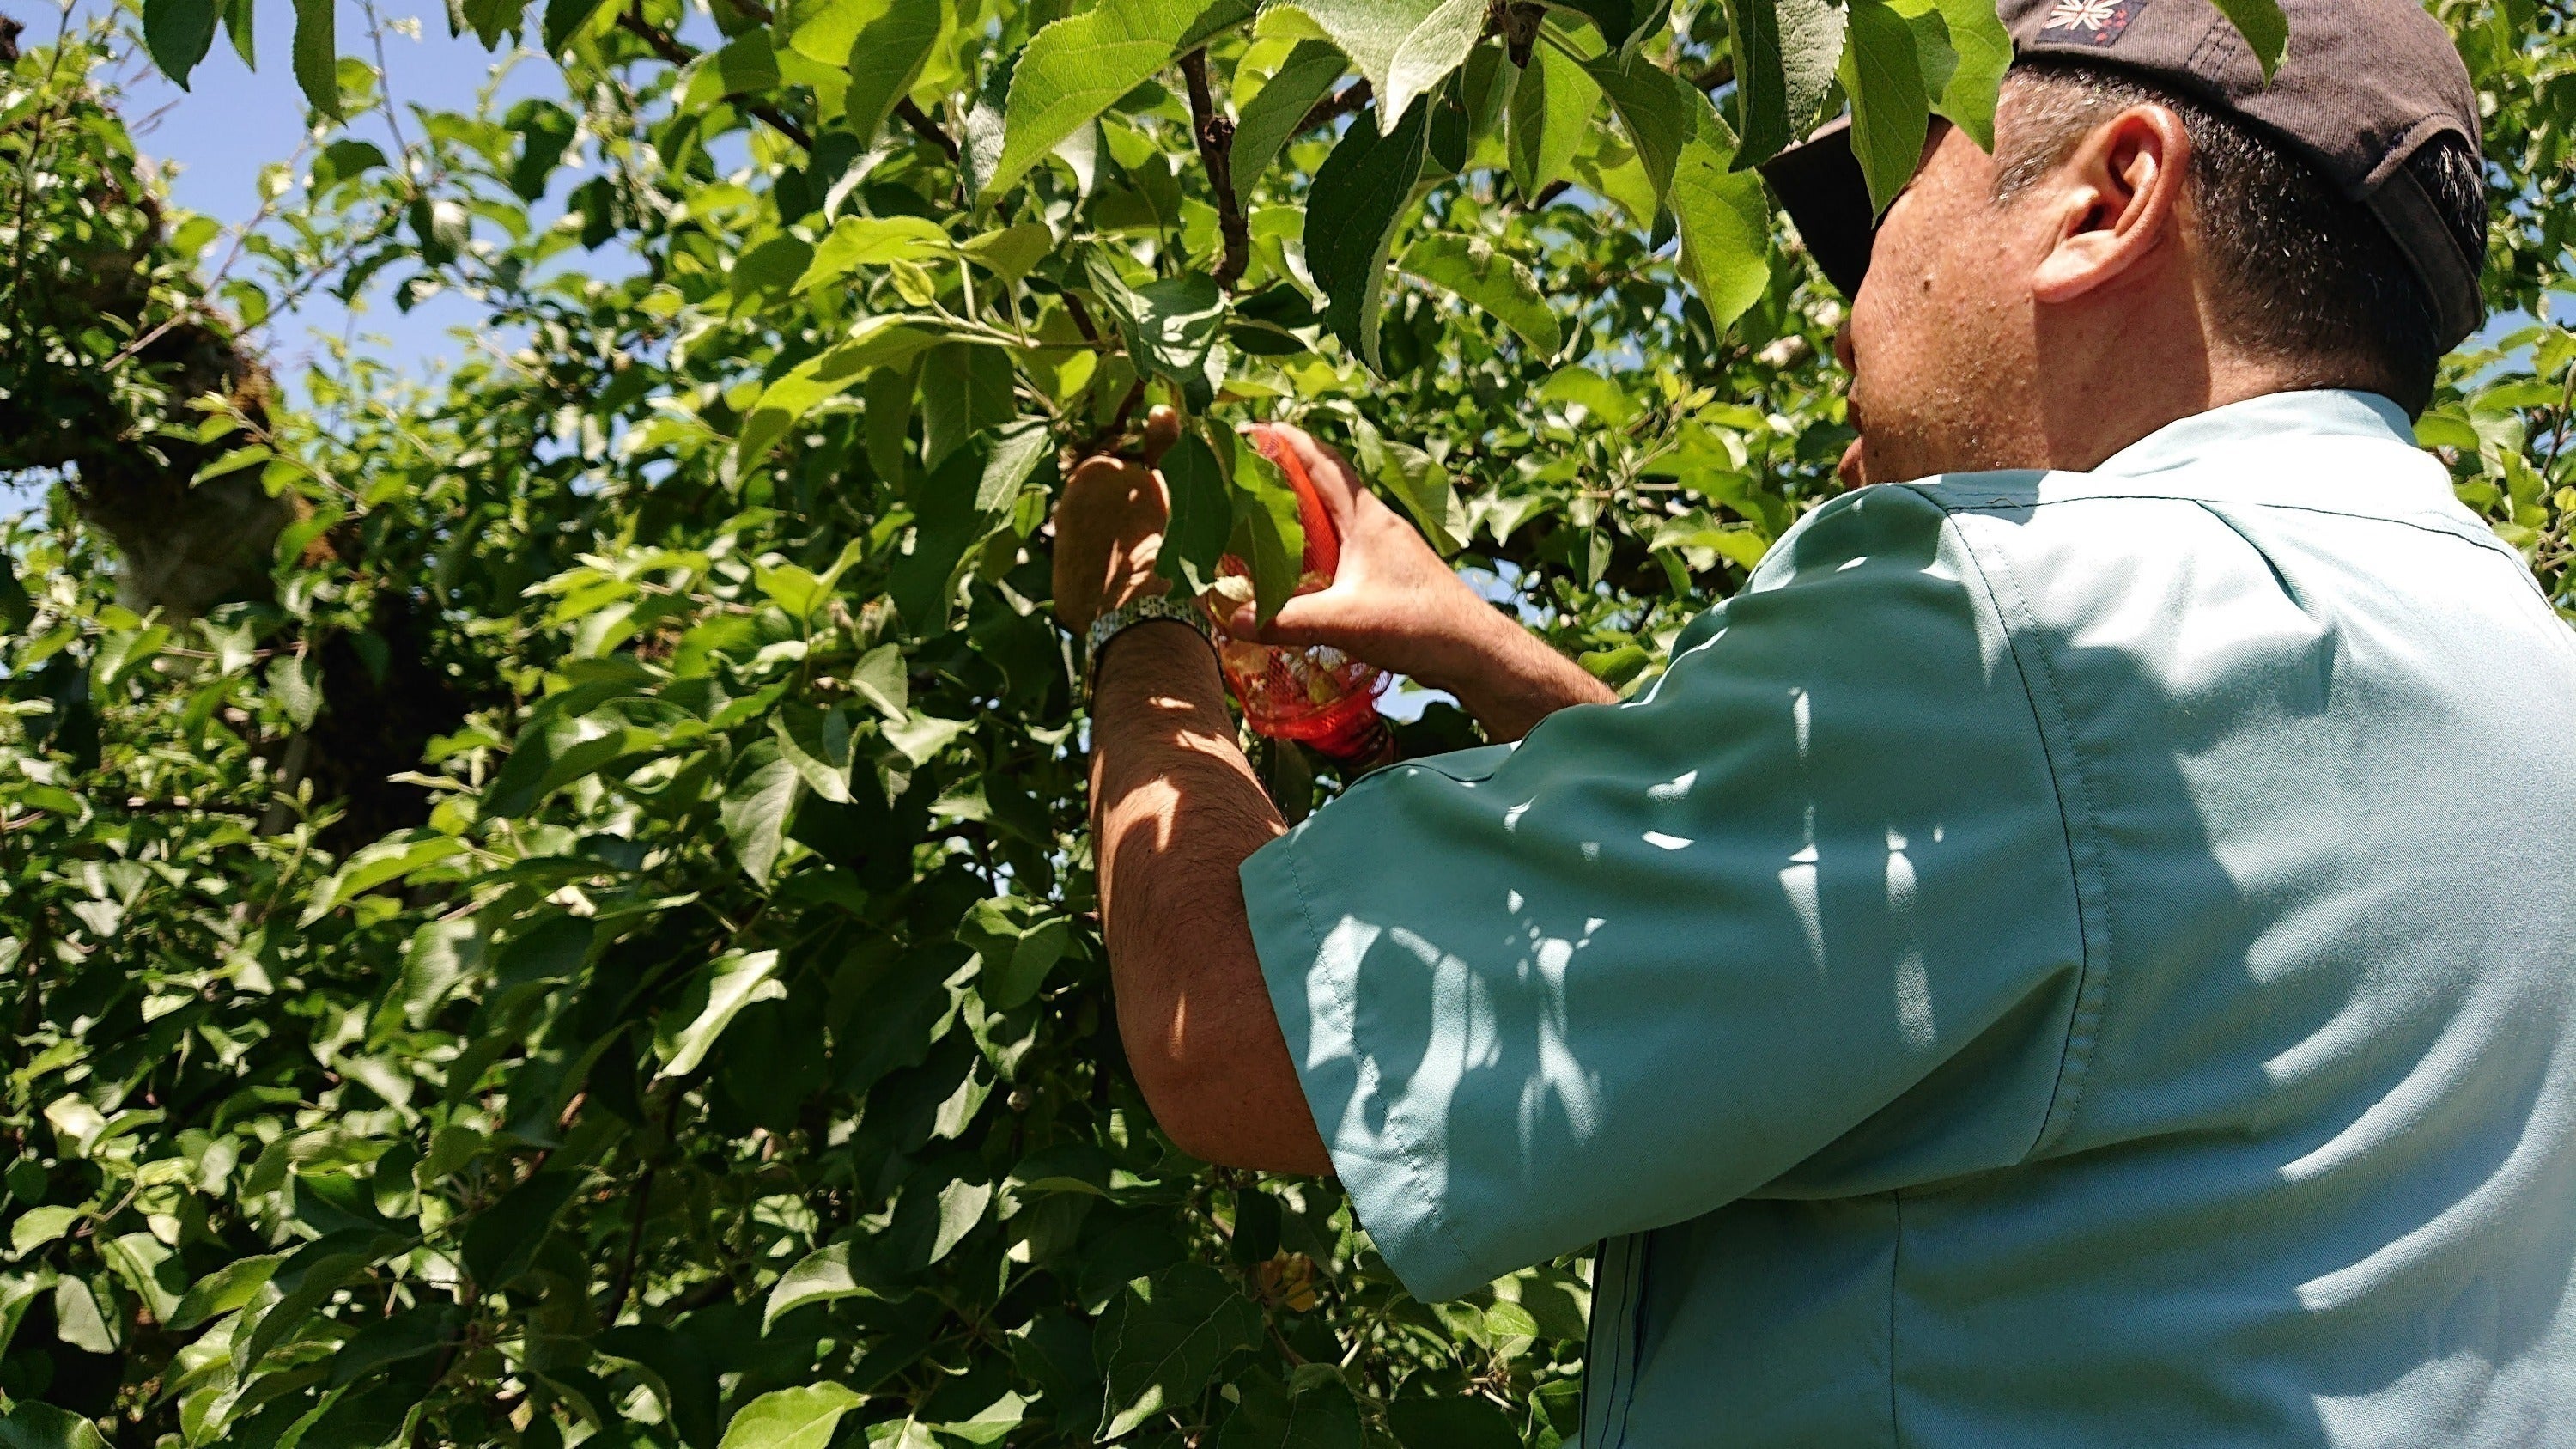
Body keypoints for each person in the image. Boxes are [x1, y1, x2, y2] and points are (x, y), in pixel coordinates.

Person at [1050, 0, 2576, 1442]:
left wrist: (1140, 621)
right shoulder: (2508, 673)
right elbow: (1905, 934)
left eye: (1901, 189)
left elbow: (1237, 1030)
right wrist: (1484, 652)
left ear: (2107, 198)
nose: (1851, 295)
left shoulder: (2027, 627)